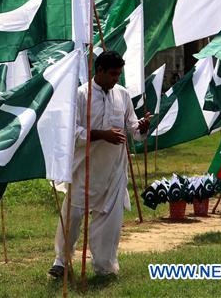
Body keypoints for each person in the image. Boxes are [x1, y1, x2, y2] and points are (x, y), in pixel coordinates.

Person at [48, 50, 150, 279]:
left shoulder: (122, 95)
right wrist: (101, 134)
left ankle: (104, 266)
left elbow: (132, 128)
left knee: (109, 222)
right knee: (73, 217)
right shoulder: (80, 95)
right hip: (84, 168)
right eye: (112, 74)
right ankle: (61, 261)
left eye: (119, 74)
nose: (116, 79)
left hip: (114, 170)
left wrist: (141, 128)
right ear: (99, 71)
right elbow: (69, 132)